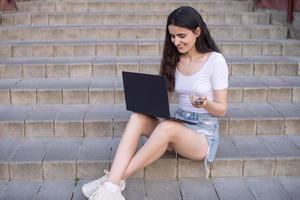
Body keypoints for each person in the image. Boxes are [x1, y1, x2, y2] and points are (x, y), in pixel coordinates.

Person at [82, 6, 228, 200]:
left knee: (168, 128)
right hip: (178, 125)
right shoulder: (174, 59)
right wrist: (148, 101)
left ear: (198, 32)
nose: (176, 41)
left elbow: (222, 109)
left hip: (202, 136)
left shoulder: (216, 61)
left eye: (181, 36)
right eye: (172, 36)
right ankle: (111, 187)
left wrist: (205, 103)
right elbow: (163, 103)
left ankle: (110, 184)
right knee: (138, 117)